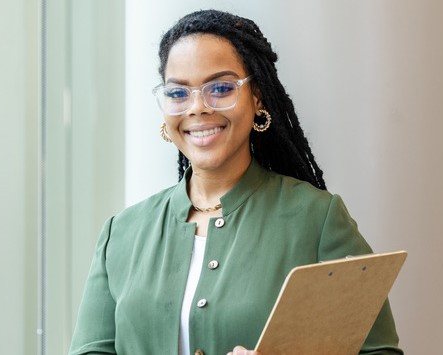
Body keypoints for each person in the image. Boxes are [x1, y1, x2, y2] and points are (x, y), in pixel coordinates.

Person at [69, 9, 402, 355]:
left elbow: (379, 351)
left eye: (221, 88)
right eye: (178, 93)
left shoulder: (317, 220)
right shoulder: (120, 234)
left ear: (256, 96)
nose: (197, 108)